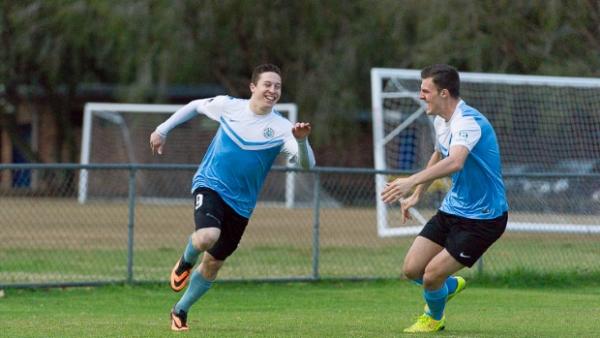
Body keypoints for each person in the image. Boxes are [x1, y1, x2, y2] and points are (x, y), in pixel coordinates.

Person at [149, 64, 315, 331]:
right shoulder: (229, 106)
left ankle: (180, 309)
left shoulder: (283, 128)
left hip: (242, 205)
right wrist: (163, 129)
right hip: (210, 184)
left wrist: (302, 141)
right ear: (253, 87)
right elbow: (193, 106)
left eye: (277, 86)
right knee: (206, 236)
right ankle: (184, 262)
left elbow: (308, 165)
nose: (272, 90)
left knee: (213, 263)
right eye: (267, 84)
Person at [381, 64, 508, 333]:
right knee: (412, 270)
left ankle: (434, 318)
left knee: (431, 275)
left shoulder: (468, 121)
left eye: (425, 90)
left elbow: (456, 161)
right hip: (453, 210)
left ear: (444, 93)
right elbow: (439, 155)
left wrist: (411, 180)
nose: (420, 95)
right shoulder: (442, 121)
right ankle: (446, 286)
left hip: (484, 218)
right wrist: (417, 193)